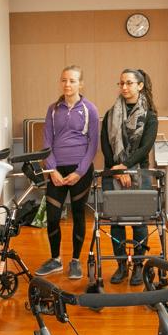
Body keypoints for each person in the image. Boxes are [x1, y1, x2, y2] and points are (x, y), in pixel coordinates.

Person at [36, 65, 99, 280]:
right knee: (52, 217)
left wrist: (80, 172)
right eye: (64, 80)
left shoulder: (90, 109)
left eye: (72, 80)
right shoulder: (53, 109)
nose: (67, 84)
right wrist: (52, 169)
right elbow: (46, 141)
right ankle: (55, 260)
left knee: (78, 215)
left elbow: (93, 145)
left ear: (80, 84)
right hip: (56, 170)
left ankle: (75, 261)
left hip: (80, 170)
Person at [100, 68, 159, 285]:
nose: (124, 87)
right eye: (121, 83)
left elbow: (145, 148)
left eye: (129, 83)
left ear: (140, 86)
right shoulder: (109, 114)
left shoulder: (150, 116)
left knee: (139, 223)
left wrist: (126, 166)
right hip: (113, 172)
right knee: (116, 222)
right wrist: (118, 170)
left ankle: (138, 266)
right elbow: (105, 146)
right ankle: (121, 264)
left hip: (139, 173)